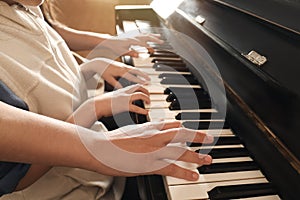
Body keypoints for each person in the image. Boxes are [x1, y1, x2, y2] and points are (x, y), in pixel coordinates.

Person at [0, 0, 213, 199]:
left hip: (94, 151)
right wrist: (91, 111)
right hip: (73, 188)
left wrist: (89, 67)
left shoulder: (22, 7)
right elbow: (18, 177)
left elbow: (44, 47)